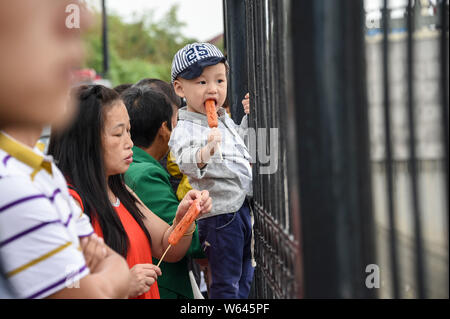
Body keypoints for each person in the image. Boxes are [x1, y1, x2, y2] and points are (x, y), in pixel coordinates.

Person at [0, 0, 130, 299]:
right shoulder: (13, 187)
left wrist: (97, 274)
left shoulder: (41, 173)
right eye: (52, 28)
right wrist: (103, 276)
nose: (76, 53)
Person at [48, 84, 212, 299]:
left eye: (129, 131)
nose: (129, 143)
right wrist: (121, 286)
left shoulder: (120, 191)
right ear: (86, 141)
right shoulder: (70, 203)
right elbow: (66, 285)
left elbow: (167, 247)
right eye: (118, 134)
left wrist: (184, 218)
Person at [169, 42, 253, 298]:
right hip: (220, 216)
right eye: (201, 82)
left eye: (219, 80)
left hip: (240, 208)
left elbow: (243, 144)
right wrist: (205, 152)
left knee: (245, 275)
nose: (213, 89)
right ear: (180, 88)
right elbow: (185, 160)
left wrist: (249, 118)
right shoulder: (185, 128)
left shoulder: (221, 118)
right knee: (226, 282)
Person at [122, 86, 206, 299]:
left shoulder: (128, 172)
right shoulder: (144, 174)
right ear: (163, 129)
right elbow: (181, 243)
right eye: (177, 121)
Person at [133, 78, 193, 201]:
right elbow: (176, 219)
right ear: (164, 127)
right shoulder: (147, 175)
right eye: (176, 118)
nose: (179, 126)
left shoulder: (130, 162)